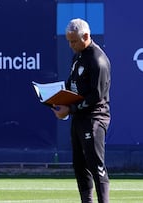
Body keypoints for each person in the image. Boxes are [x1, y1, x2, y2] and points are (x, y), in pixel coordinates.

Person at [52, 18, 111, 203]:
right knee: (79, 165)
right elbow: (72, 84)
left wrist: (70, 109)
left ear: (86, 36)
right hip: (78, 117)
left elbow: (96, 96)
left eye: (74, 41)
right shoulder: (77, 55)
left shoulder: (97, 60)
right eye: (68, 41)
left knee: (96, 165)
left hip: (94, 118)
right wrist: (58, 99)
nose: (71, 45)